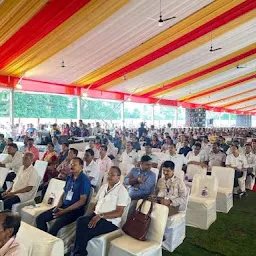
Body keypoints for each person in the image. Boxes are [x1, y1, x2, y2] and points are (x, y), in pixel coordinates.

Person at [71, 166, 130, 256]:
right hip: (97, 216)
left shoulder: (122, 191)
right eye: (108, 174)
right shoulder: (103, 187)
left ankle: (77, 252)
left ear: (118, 177)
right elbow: (96, 203)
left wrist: (101, 216)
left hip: (110, 222)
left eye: (112, 175)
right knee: (80, 220)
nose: (109, 176)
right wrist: (90, 214)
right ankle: (79, 252)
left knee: (86, 231)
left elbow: (119, 212)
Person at [36, 157, 91, 236]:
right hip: (63, 206)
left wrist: (64, 211)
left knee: (54, 228)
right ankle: (43, 238)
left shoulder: (84, 180)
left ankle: (50, 244)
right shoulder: (69, 177)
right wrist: (58, 206)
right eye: (71, 164)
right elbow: (64, 193)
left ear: (81, 167)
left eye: (75, 164)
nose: (72, 166)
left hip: (74, 211)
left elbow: (82, 201)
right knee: (40, 218)